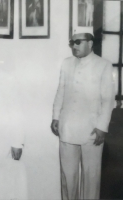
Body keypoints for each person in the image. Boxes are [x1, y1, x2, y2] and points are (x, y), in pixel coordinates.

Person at [51, 28, 115, 199]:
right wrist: (56, 117)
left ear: (90, 43)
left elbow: (108, 100)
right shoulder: (66, 63)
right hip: (67, 127)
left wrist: (102, 127)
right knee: (68, 176)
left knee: (91, 176)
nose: (74, 46)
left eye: (78, 42)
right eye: (72, 42)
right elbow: (61, 91)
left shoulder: (104, 65)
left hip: (92, 130)